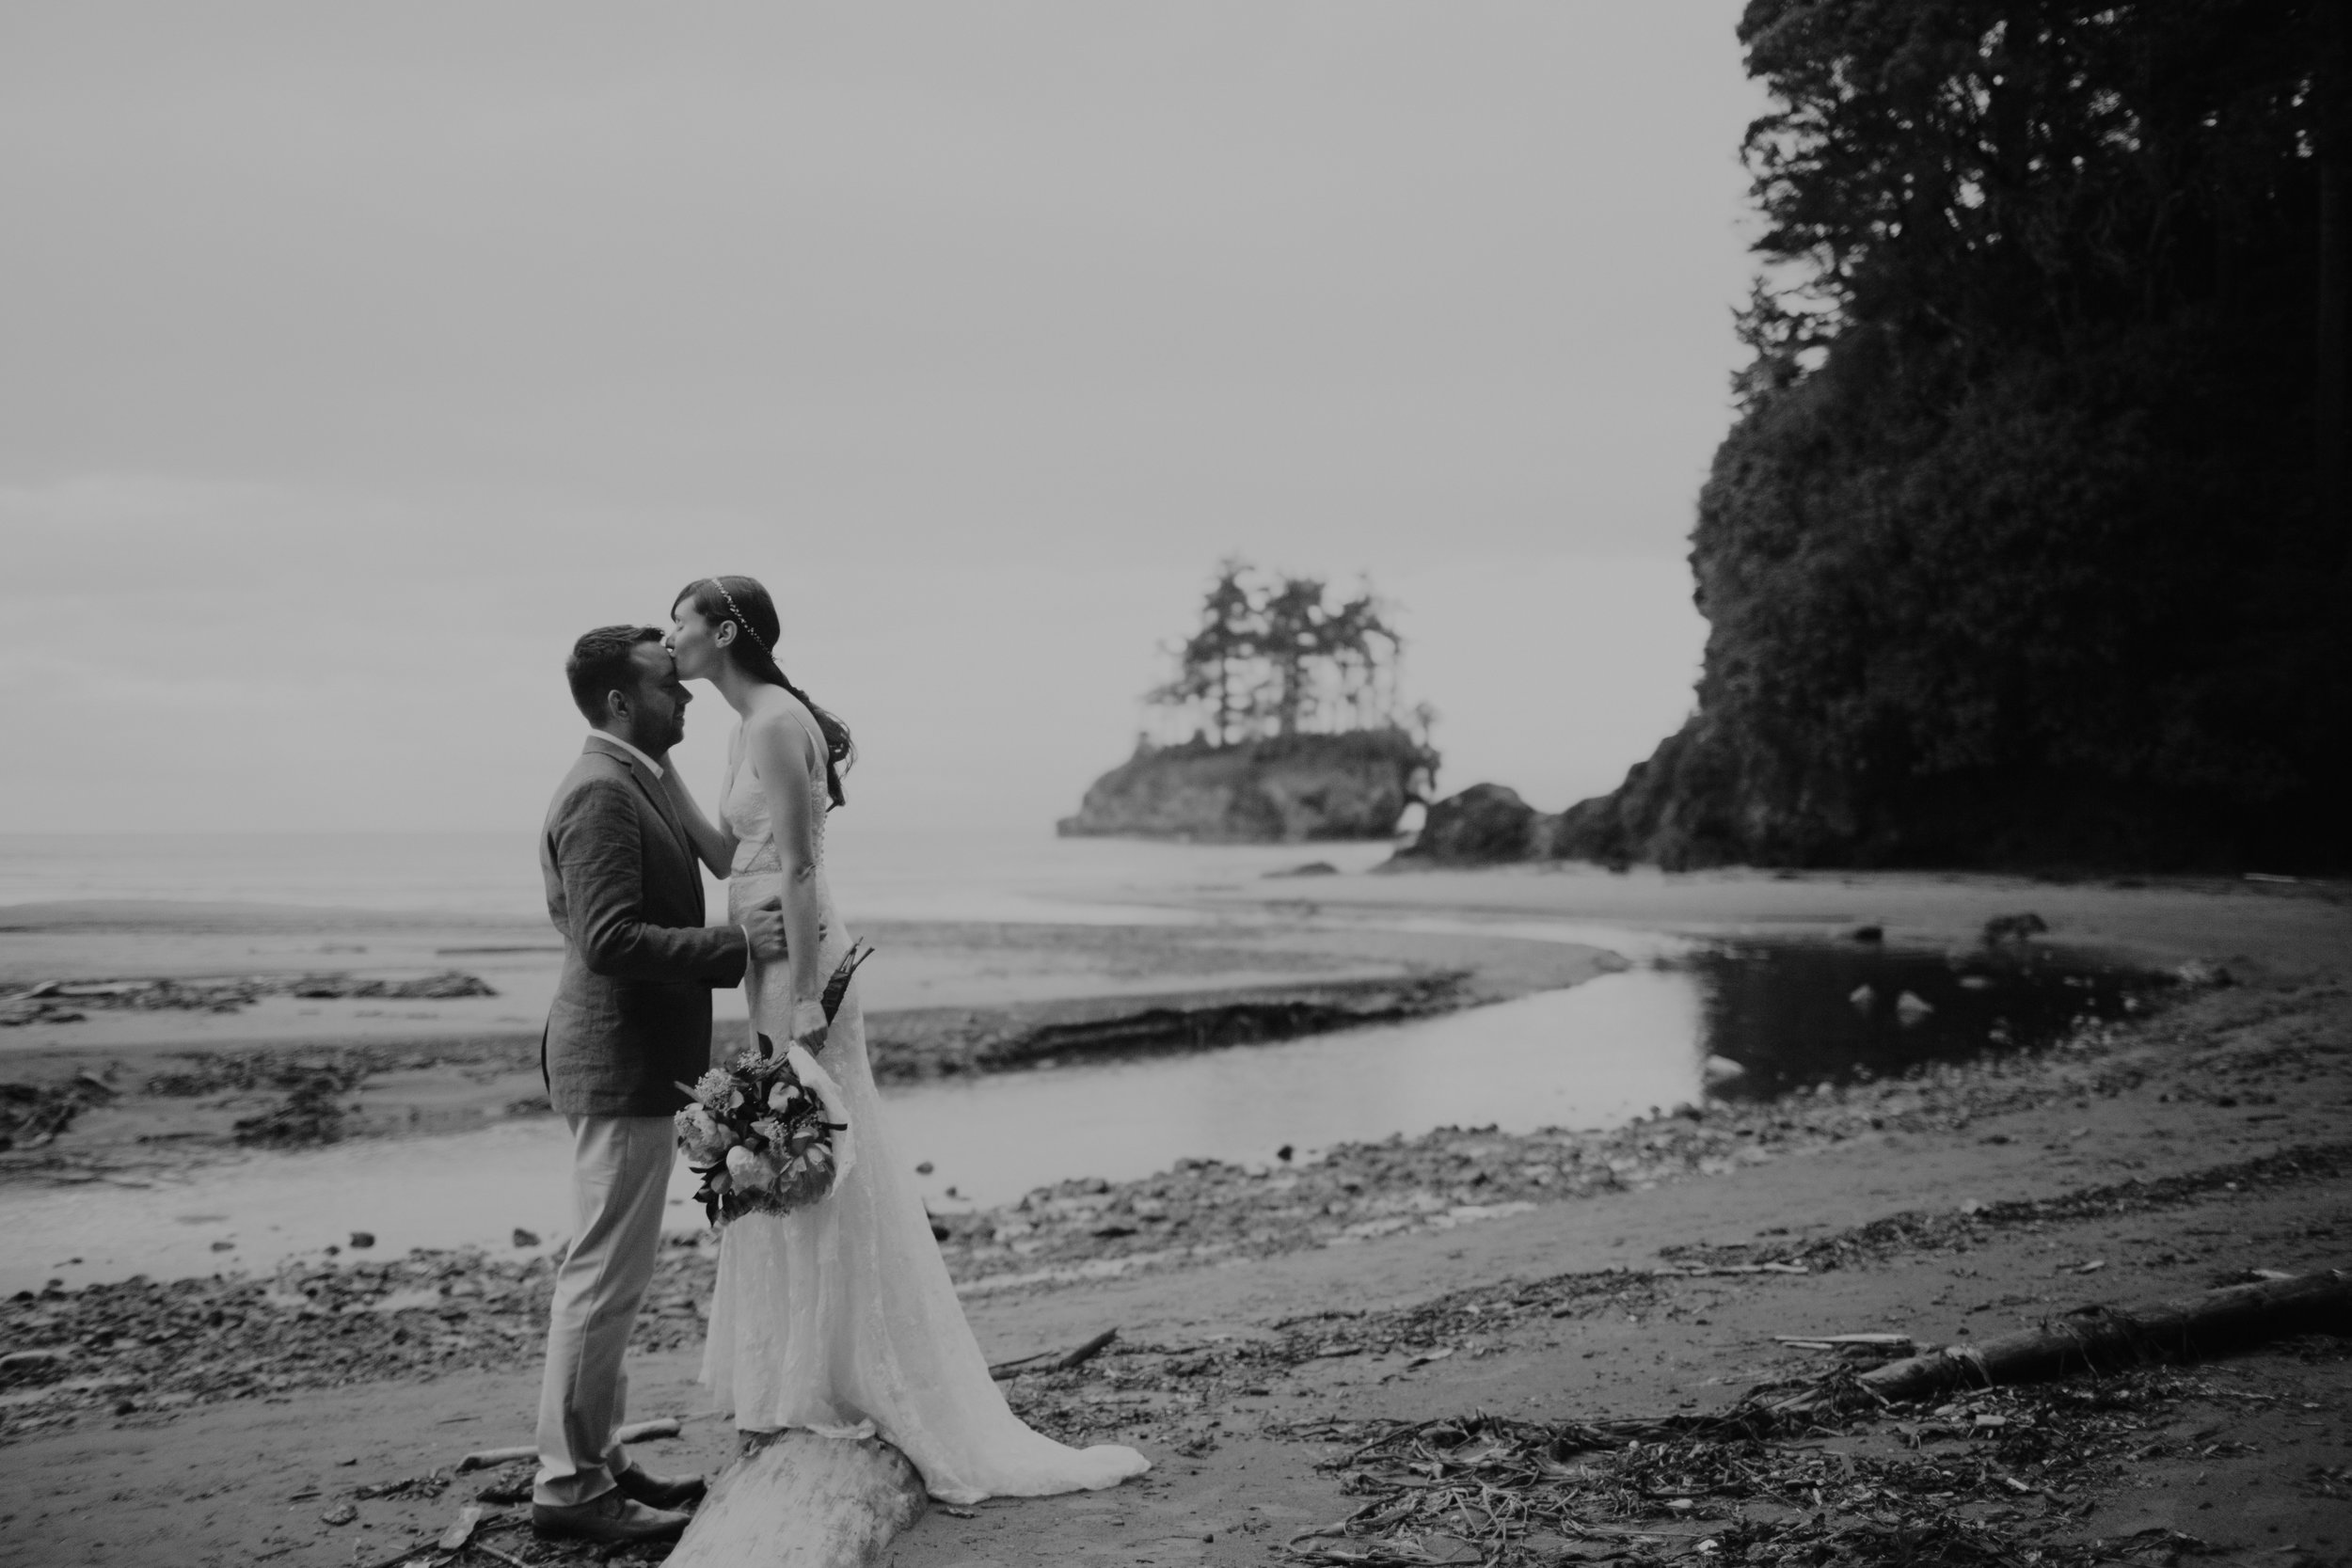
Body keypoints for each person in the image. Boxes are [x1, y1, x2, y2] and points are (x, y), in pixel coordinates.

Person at [661, 574, 1150, 1504]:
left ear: (725, 630)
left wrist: (806, 996)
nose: (668, 631)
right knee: (786, 1153)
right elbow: (738, 858)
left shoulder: (772, 720)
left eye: (679, 618)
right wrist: (659, 770)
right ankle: (808, 1375)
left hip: (800, 964)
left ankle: (846, 1377)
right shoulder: (745, 724)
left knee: (821, 1151)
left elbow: (801, 864)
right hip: (769, 959)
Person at [532, 625, 789, 1544]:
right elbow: (607, 939)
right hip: (618, 1059)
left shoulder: (633, 774)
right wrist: (736, 946)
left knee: (614, 1275)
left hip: (633, 1059)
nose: (682, 691)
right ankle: (568, 1487)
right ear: (617, 701)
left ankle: (598, 1458)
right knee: (598, 1277)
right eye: (662, 682)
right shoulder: (602, 790)